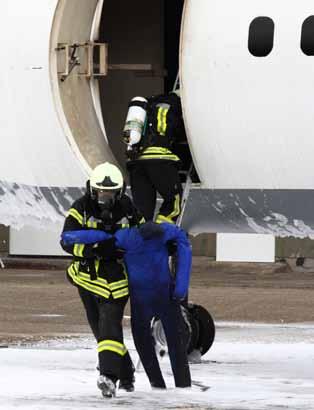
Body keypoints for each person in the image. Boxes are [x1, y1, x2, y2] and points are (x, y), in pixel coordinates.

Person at [61, 221, 192, 389]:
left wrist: (71, 236)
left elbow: (102, 237)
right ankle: (183, 385)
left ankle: (157, 384)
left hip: (141, 300)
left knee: (143, 341)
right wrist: (181, 287)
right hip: (165, 295)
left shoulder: (128, 237)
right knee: (176, 342)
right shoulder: (166, 232)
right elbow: (183, 241)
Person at [60, 162, 143, 398]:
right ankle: (126, 372)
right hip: (88, 277)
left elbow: (141, 236)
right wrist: (93, 250)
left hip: (117, 280)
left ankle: (108, 377)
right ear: (92, 190)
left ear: (120, 192)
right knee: (102, 330)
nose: (105, 198)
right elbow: (66, 240)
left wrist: (122, 249)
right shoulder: (81, 208)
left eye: (110, 193)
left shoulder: (128, 209)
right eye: (100, 192)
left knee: (109, 322)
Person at [123, 90, 185, 224]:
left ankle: (142, 236)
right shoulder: (175, 104)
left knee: (142, 211)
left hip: (136, 162)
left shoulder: (146, 106)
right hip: (159, 159)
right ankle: (161, 232)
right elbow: (178, 130)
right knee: (173, 200)